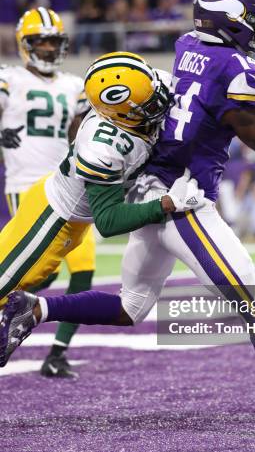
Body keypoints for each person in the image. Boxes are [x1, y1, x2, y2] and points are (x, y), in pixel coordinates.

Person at [1, 0, 255, 443]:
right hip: (183, 199)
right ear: (232, 22)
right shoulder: (233, 65)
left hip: (150, 186)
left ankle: (36, 308)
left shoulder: (188, 46)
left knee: (130, 306)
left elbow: (219, 98)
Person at [0, 50, 204, 358]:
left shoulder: (146, 86)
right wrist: (166, 203)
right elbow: (108, 222)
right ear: (120, 112)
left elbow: (208, 94)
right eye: (148, 104)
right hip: (53, 219)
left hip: (71, 216)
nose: (159, 105)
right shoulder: (102, 145)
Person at [0, 7, 96, 378]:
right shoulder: (9, 78)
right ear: (24, 44)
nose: (46, 48)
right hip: (25, 185)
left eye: (53, 41)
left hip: (65, 187)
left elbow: (79, 133)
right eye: (39, 41)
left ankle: (57, 354)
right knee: (33, 275)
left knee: (84, 269)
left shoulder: (74, 85)